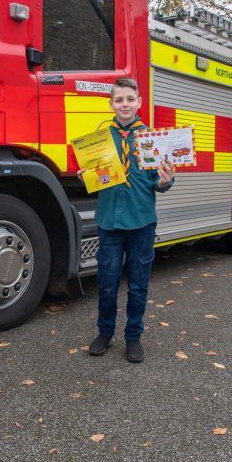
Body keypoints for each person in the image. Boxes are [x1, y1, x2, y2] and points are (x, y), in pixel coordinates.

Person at [86, 77, 175, 363]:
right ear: (111, 104)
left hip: (142, 224)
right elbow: (98, 177)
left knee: (138, 284)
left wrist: (165, 180)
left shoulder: (151, 139)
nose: (125, 104)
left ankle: (133, 336)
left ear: (139, 103)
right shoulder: (100, 139)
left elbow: (157, 183)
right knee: (107, 282)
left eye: (130, 99)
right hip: (110, 224)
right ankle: (105, 332)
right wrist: (87, 175)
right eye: (119, 99)